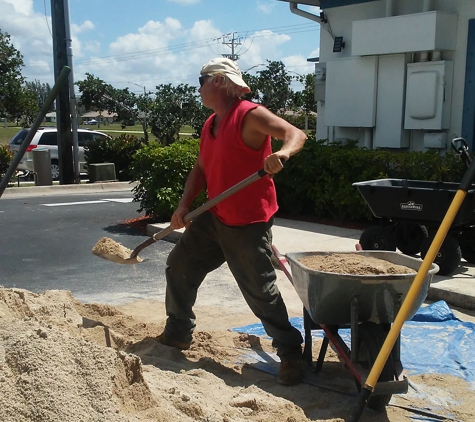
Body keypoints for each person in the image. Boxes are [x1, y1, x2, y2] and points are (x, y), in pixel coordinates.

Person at [157, 57, 307, 386]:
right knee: (179, 265)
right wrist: (183, 206)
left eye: (202, 79)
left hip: (247, 222)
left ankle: (291, 351)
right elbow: (200, 170)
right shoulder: (210, 124)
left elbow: (294, 133)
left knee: (260, 294)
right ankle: (178, 332)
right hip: (215, 215)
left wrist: (283, 153)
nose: (198, 86)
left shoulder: (249, 115)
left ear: (221, 82)